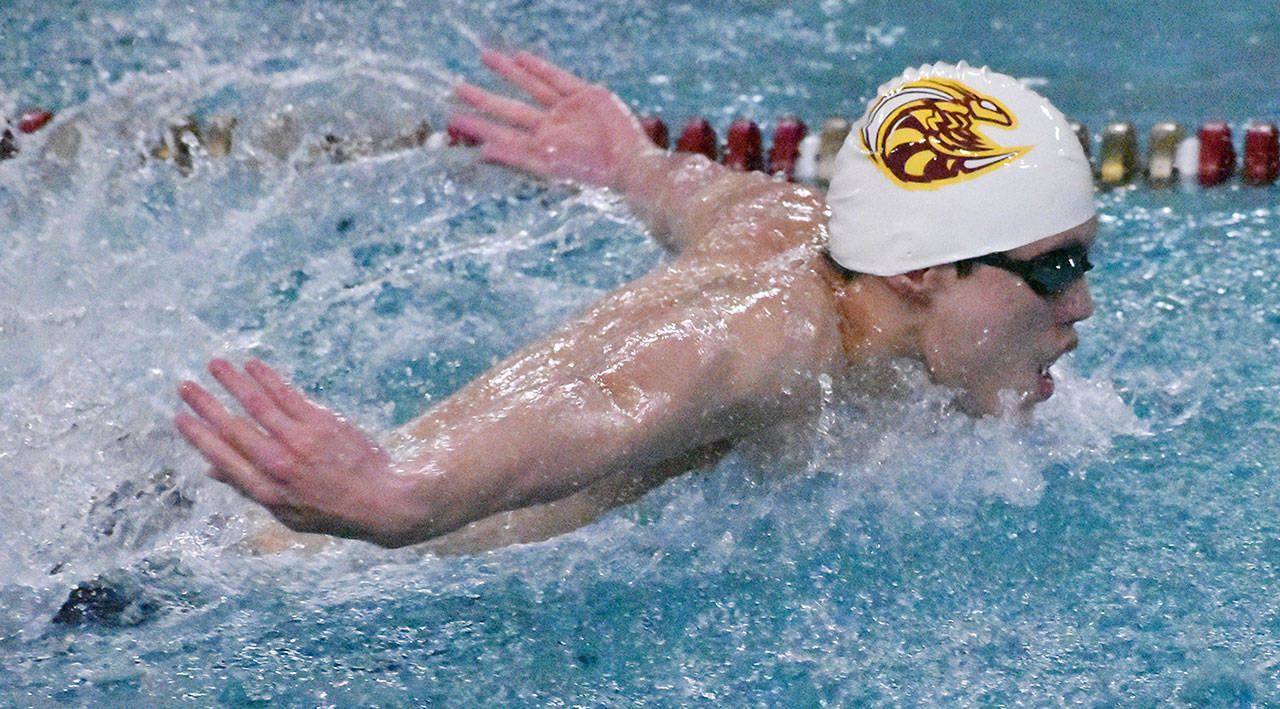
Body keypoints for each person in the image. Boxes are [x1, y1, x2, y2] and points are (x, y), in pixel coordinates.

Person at [175, 51, 1097, 550]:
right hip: (250, 563)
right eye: (1054, 269)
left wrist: (627, 163)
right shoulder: (758, 342)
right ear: (921, 274)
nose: (1083, 305)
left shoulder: (804, 226)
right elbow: (605, 398)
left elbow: (704, 193)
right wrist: (398, 496)